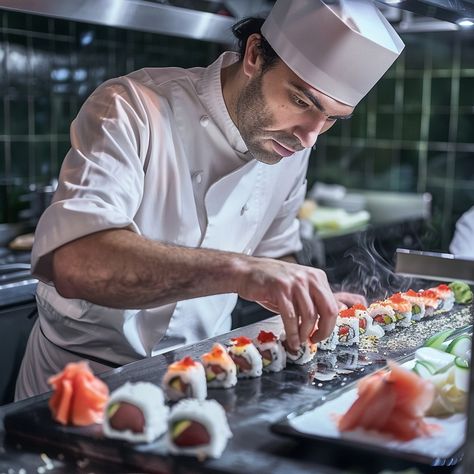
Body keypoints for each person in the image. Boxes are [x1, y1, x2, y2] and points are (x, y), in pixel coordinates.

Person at [15, 0, 404, 399]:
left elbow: (275, 255)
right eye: (303, 102)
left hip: (202, 374)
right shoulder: (131, 106)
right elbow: (77, 263)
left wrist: (297, 297)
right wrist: (240, 271)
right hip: (78, 378)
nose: (309, 136)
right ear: (254, 54)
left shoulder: (293, 145)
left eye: (332, 120)